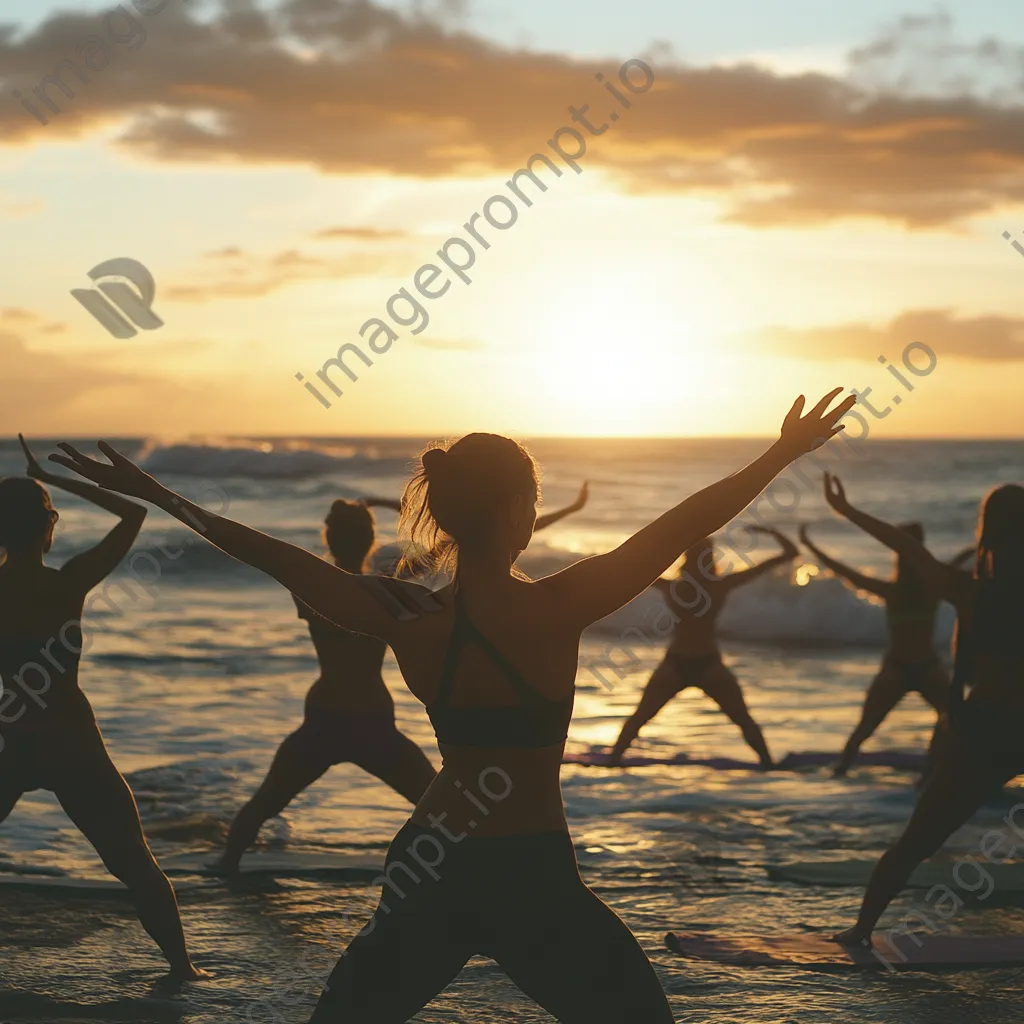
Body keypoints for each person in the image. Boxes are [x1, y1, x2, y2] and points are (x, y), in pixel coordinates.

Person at [49, 387, 853, 1023]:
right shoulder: (556, 607)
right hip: (529, 872)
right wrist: (779, 455)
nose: (536, 514)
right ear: (513, 512)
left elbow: (279, 559)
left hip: (431, 864)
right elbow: (679, 526)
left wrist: (158, 493)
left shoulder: (408, 615)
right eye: (532, 502)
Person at [214, 482, 589, 873]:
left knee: (264, 804)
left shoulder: (316, 589)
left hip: (325, 718)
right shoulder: (388, 590)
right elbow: (460, 539)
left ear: (329, 535)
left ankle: (225, 867)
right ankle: (479, 874)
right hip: (372, 722)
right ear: (372, 538)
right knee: (450, 810)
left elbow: (266, 554)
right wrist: (393, 505)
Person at [0, 436, 205, 979]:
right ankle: (183, 969)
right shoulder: (67, 584)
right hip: (73, 743)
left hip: (13, 741)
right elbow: (133, 512)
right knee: (135, 863)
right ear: (49, 526)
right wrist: (57, 481)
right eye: (51, 519)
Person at [817, 473, 1024, 950]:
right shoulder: (972, 589)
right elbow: (910, 553)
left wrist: (847, 512)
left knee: (915, 842)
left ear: (988, 533)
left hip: (982, 730)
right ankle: (862, 929)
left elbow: (909, 553)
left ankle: (862, 930)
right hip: (995, 730)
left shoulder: (968, 591)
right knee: (916, 839)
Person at [608, 526, 798, 768]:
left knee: (638, 720)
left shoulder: (672, 587)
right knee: (744, 721)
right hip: (708, 664)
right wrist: (769, 531)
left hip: (676, 663)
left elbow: (626, 566)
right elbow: (789, 554)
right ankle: (768, 766)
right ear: (710, 558)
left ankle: (611, 763)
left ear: (686, 557)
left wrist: (658, 540)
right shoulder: (722, 585)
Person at [800, 522, 955, 777]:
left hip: (898, 668)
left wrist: (811, 546)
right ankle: (930, 774)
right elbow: (962, 569)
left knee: (864, 729)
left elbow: (845, 572)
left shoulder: (892, 590)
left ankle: (839, 772)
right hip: (927, 667)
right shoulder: (933, 588)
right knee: (952, 721)